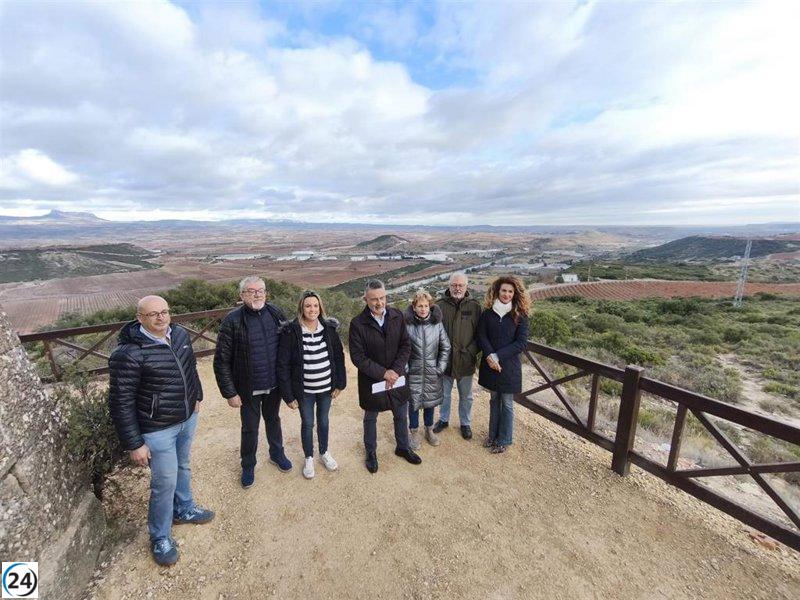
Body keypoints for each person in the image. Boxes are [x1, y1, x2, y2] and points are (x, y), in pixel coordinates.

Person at [108, 295, 213, 567]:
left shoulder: (178, 334)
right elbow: (121, 401)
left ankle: (185, 509)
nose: (161, 317)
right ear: (139, 317)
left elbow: (190, 368)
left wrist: (196, 396)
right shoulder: (129, 353)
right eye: (153, 313)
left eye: (164, 312)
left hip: (186, 418)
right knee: (163, 483)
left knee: (184, 467)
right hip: (157, 429)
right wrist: (134, 443)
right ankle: (160, 536)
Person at [214, 276, 295, 488]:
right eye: (251, 291)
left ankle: (277, 454)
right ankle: (248, 465)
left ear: (266, 293)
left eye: (261, 290)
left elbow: (288, 348)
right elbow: (221, 360)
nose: (257, 294)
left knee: (273, 421)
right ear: (241, 296)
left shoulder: (275, 313)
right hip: (248, 387)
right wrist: (230, 392)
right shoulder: (232, 320)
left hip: (273, 384)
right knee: (250, 428)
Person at [349, 280, 422, 473]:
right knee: (370, 417)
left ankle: (403, 447)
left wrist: (396, 370)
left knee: (400, 413)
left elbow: (406, 345)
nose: (378, 303)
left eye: (381, 298)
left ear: (386, 297)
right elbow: (358, 357)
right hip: (372, 380)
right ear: (366, 299)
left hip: (397, 376)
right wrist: (383, 373)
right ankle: (371, 452)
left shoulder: (397, 315)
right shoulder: (357, 323)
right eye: (373, 299)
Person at [277, 290, 346, 479]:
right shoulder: (291, 331)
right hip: (304, 391)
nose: (312, 309)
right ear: (301, 307)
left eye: (315, 305)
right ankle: (308, 457)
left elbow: (339, 357)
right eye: (308, 305)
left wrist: (340, 383)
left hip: (326, 388)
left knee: (323, 421)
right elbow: (282, 365)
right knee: (308, 423)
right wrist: (288, 396)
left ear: (320, 307)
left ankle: (324, 452)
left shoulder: (329, 329)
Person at [476, 276, 531, 454]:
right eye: (503, 290)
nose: (506, 294)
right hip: (490, 366)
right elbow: (481, 336)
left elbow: (521, 343)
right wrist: (490, 357)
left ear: (515, 294)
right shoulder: (487, 313)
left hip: (508, 367)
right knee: (494, 400)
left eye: (510, 291)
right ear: (497, 291)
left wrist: (496, 356)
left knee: (507, 403)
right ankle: (492, 436)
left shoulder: (520, 316)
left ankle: (504, 440)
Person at [434, 272, 482, 440]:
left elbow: (480, 334)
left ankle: (465, 423)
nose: (457, 288)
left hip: (465, 360)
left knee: (466, 396)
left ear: (466, 287)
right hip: (445, 361)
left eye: (460, 285)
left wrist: (470, 351)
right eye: (454, 285)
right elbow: (433, 332)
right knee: (444, 394)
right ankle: (443, 419)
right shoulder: (439, 306)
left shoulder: (475, 306)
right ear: (449, 286)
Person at [404, 289, 451, 449]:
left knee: (430, 404)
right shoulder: (407, 325)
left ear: (430, 307)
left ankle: (429, 430)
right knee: (414, 404)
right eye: (420, 306)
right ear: (414, 307)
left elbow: (446, 347)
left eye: (426, 306)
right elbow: (401, 349)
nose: (423, 309)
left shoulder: (437, 325)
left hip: (433, 372)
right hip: (413, 373)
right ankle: (414, 434)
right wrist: (406, 368)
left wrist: (440, 367)